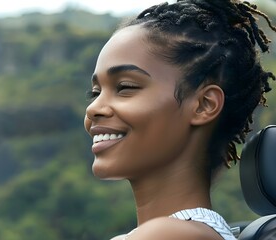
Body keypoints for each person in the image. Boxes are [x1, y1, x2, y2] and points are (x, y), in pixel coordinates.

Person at [83, 0, 276, 239]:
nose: (94, 108)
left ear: (204, 105)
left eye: (125, 87)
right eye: (95, 92)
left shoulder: (173, 234)